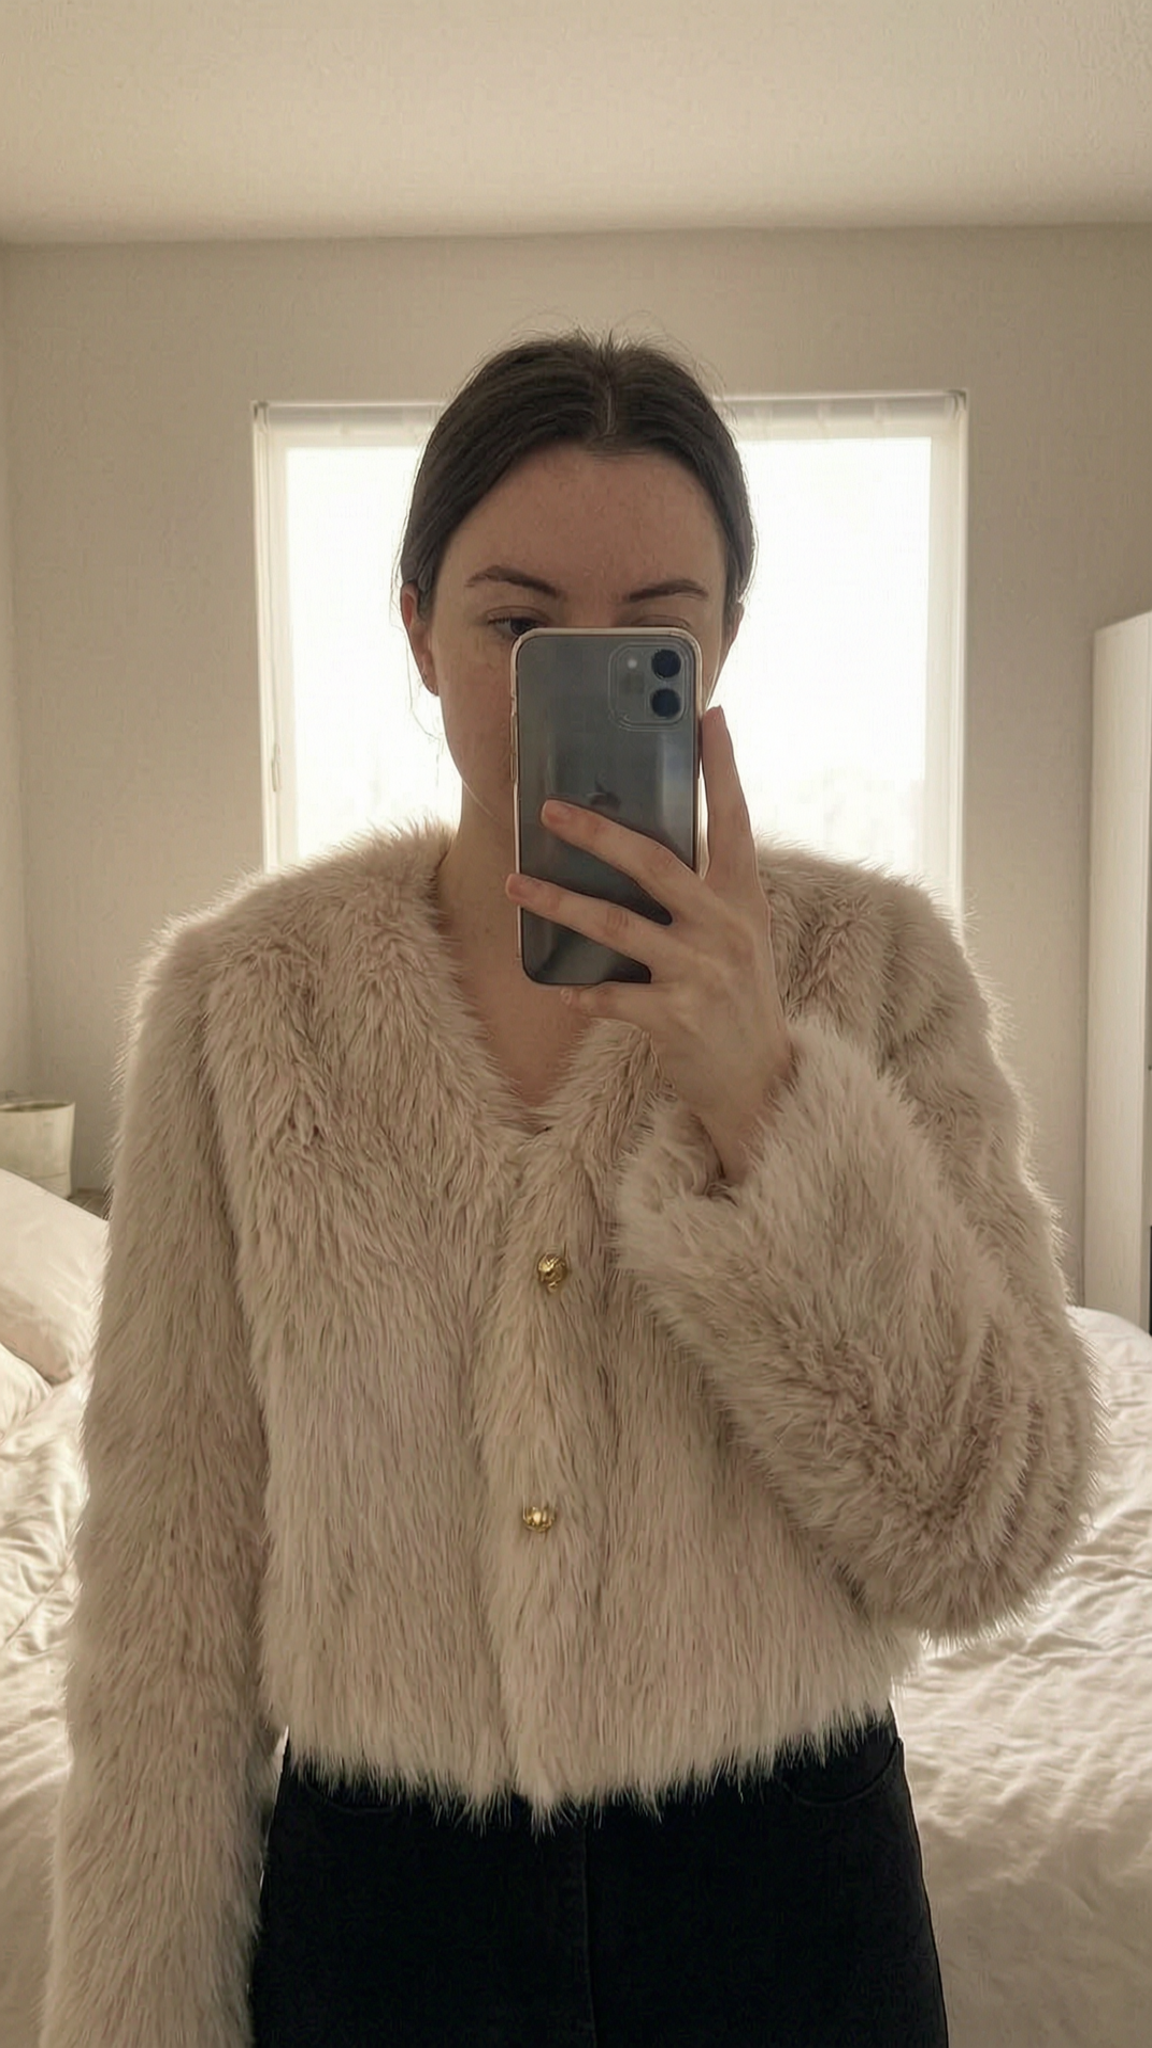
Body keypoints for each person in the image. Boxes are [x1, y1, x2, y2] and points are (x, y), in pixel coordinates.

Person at [38, 328, 1105, 2048]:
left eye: (651, 634)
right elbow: (169, 1584)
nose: (575, 677)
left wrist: (763, 1097)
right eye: (519, 627)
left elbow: (986, 1529)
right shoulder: (243, 1007)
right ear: (416, 629)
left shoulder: (873, 968)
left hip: (786, 1893)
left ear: (722, 644)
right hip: (379, 1912)